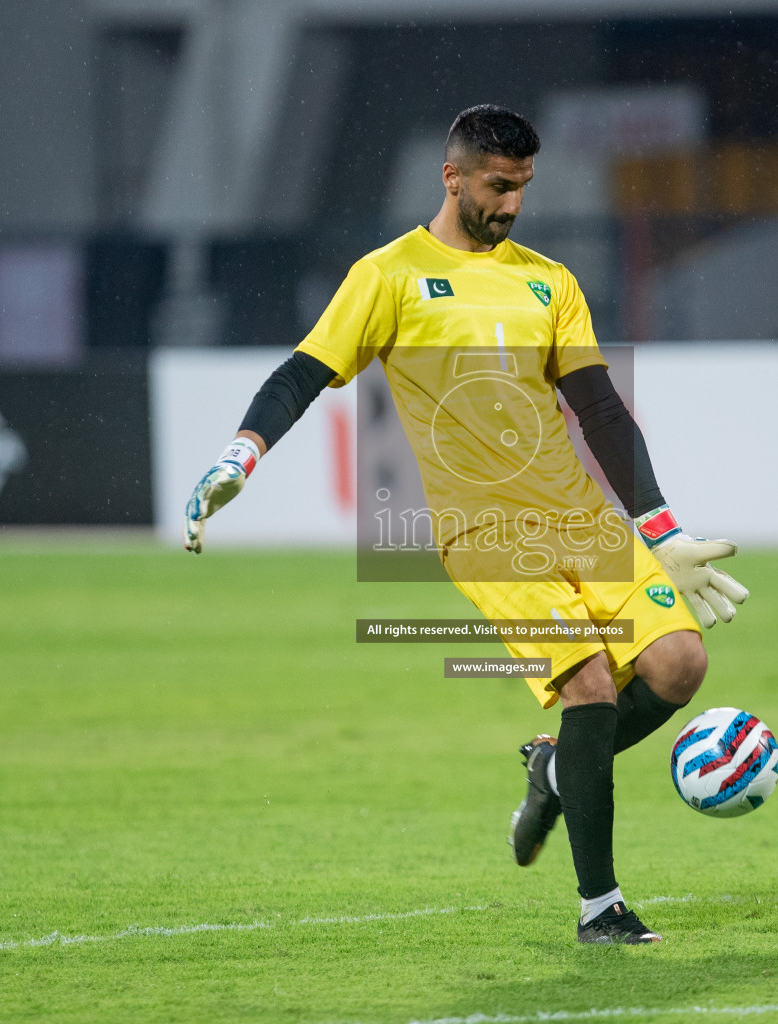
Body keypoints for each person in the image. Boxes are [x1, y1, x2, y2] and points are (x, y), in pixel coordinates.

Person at [181, 105, 748, 945]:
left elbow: (599, 407)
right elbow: (304, 372)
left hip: (582, 520)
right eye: (497, 186)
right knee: (590, 685)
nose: (512, 204)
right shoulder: (390, 275)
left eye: (522, 188)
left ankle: (556, 767)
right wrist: (241, 454)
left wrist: (660, 530)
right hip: (487, 535)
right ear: (453, 177)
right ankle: (602, 908)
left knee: (679, 663)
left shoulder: (548, 280)